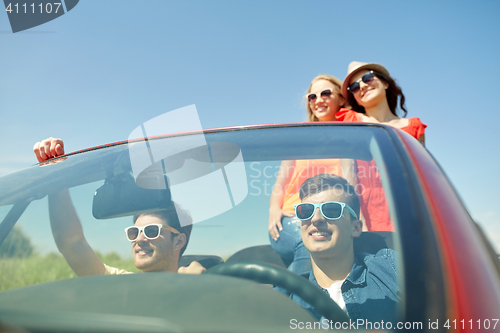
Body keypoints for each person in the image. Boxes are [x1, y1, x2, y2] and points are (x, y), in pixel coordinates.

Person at [33, 137, 204, 275]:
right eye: (134, 232)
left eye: (152, 231)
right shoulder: (120, 284)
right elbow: (71, 243)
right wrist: (55, 174)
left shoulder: (198, 284)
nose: (139, 239)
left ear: (179, 241)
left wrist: (196, 285)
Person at [268, 75, 357, 275]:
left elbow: (349, 185)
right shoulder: (298, 137)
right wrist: (273, 209)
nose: (318, 100)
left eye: (326, 93)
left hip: (328, 215)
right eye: (312, 96)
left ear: (341, 99)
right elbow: (281, 183)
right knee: (309, 243)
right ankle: (285, 306)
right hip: (293, 216)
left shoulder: (348, 136)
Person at [286, 173, 400, 323]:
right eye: (306, 211)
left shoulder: (392, 268)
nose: (316, 218)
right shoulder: (285, 298)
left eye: (332, 210)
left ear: (356, 228)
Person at [336, 61, 427, 231]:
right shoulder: (350, 122)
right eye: (354, 86)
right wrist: (356, 219)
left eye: (367, 77)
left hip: (410, 217)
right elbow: (348, 178)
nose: (362, 86)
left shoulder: (414, 127)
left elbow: (421, 179)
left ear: (385, 83)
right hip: (367, 221)